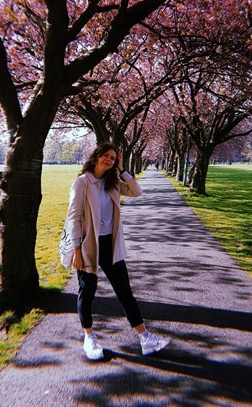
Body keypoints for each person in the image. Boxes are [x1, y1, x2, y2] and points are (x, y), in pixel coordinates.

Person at [65, 142, 171, 360]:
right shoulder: (82, 183)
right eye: (106, 156)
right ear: (96, 156)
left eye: (113, 158)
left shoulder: (113, 182)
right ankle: (89, 337)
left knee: (124, 291)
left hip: (110, 245)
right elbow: (73, 218)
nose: (109, 160)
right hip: (88, 245)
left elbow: (136, 191)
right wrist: (76, 249)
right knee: (87, 290)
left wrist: (122, 169)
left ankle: (145, 338)